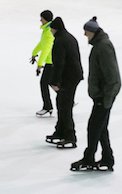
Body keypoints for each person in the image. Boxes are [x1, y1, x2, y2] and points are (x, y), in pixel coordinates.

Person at [71, 17, 121, 172]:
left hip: (104, 96)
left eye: (86, 32)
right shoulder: (99, 45)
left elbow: (112, 76)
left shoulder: (103, 47)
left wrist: (106, 99)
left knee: (94, 127)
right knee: (100, 127)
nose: (85, 35)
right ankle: (107, 158)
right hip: (101, 95)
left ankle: (89, 158)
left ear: (92, 32)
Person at [46, 16, 83, 148]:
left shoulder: (60, 41)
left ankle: (70, 136)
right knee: (61, 103)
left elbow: (59, 63)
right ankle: (60, 131)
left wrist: (54, 81)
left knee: (65, 106)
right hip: (73, 75)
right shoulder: (68, 37)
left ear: (55, 29)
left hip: (69, 77)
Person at [31, 10, 55, 117]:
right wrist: (34, 52)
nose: (40, 20)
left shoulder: (49, 31)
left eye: (42, 18)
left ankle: (47, 107)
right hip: (51, 61)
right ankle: (68, 100)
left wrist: (40, 64)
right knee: (52, 83)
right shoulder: (46, 30)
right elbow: (42, 44)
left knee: (44, 83)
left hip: (51, 62)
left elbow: (46, 48)